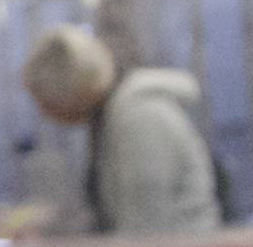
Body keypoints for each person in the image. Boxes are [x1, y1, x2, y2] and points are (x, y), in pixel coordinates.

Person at [20, 21, 224, 235]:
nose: (45, 114)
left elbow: (146, 225)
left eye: (46, 103)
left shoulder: (140, 119)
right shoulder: (114, 117)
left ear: (68, 93)